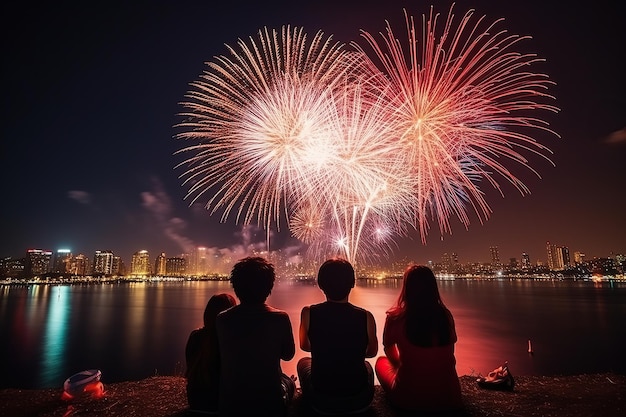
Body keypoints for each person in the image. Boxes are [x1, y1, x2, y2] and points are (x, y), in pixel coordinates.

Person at [375, 265, 464, 412]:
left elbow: (388, 350)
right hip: (450, 397)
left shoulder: (396, 318)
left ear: (407, 288)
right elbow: (448, 354)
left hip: (409, 399)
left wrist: (401, 366)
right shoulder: (445, 315)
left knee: (380, 362)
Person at [216, 257, 296, 417]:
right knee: (289, 381)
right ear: (269, 287)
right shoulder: (280, 317)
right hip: (270, 402)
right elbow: (288, 355)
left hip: (231, 403)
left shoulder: (222, 318)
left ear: (236, 286)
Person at [297, 258, 378, 415]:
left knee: (303, 363)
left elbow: (305, 346)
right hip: (360, 400)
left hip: (321, 401)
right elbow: (371, 353)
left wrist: (327, 349)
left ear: (321, 285)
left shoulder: (308, 312)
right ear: (353, 283)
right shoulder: (366, 316)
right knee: (367, 366)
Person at [185, 293, 237, 414]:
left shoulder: (195, 337)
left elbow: (189, 363)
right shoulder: (231, 341)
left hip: (196, 401)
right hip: (222, 404)